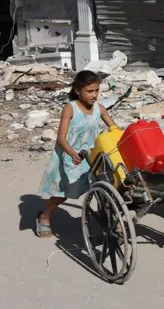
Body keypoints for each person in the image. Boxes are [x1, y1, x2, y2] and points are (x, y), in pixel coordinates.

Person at [36, 70, 118, 238]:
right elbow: (61, 138)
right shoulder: (70, 108)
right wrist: (72, 153)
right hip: (72, 157)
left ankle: (109, 222)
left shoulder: (99, 108)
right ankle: (45, 216)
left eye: (96, 90)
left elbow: (114, 128)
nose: (94, 95)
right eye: (89, 91)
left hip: (92, 157)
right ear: (77, 90)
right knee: (65, 192)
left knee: (103, 187)